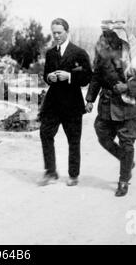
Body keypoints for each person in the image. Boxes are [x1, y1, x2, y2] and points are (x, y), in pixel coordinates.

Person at [85, 20, 136, 197]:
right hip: (107, 105)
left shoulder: (134, 53)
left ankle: (123, 179)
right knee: (102, 135)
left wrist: (128, 87)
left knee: (127, 142)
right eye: (103, 36)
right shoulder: (102, 54)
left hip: (130, 106)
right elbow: (96, 77)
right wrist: (90, 99)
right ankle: (127, 161)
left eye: (108, 37)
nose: (105, 40)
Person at [39, 18, 92, 186]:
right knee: (45, 133)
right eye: (53, 33)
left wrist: (69, 76)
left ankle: (73, 175)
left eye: (59, 33)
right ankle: (51, 172)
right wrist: (50, 77)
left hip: (72, 104)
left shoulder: (79, 53)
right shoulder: (50, 53)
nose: (56, 36)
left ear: (67, 32)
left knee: (73, 140)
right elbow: (46, 74)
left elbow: (87, 78)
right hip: (53, 103)